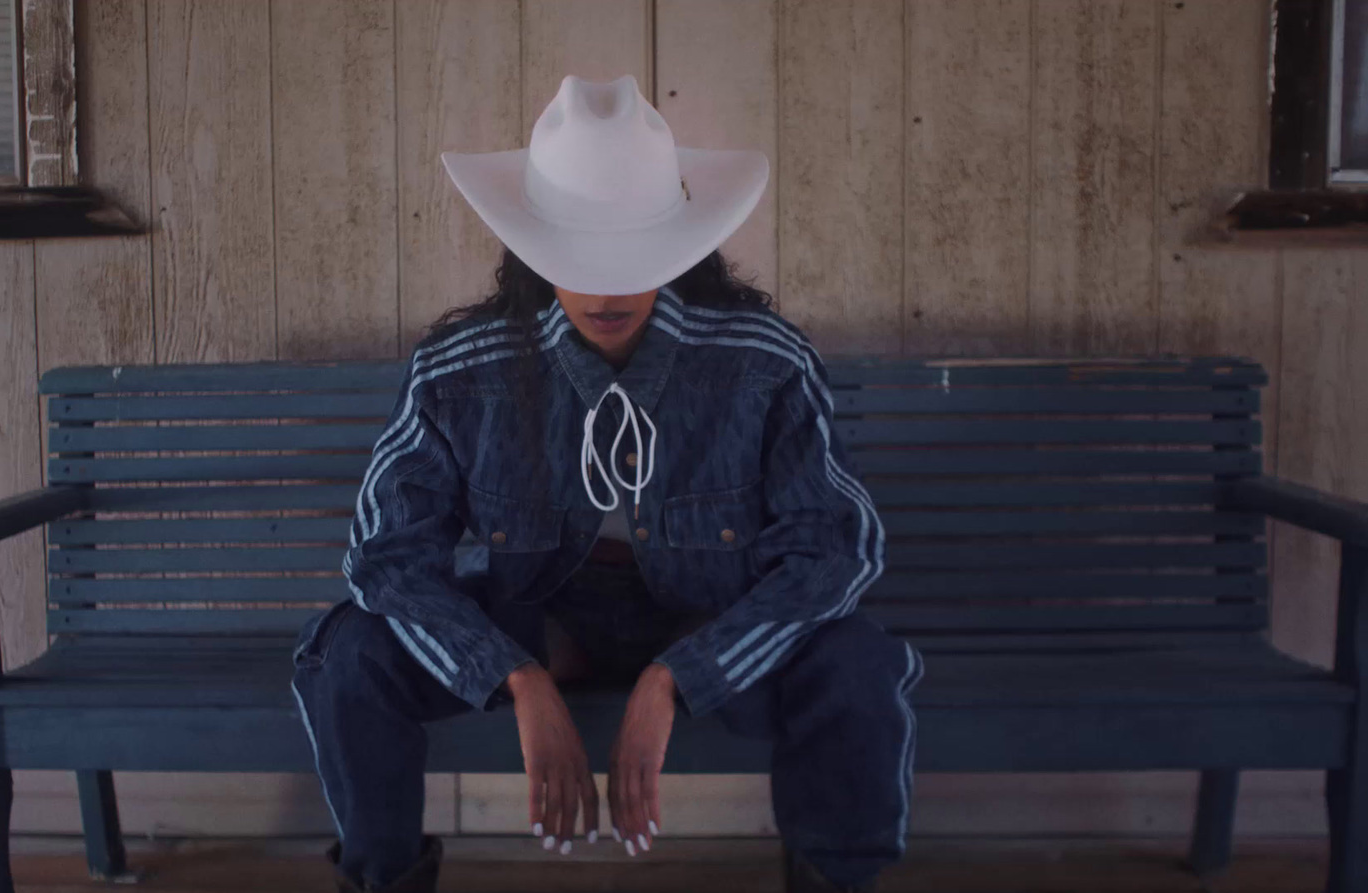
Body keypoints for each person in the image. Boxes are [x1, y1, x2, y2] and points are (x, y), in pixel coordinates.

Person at [290, 73, 922, 893]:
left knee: (857, 663)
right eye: (579, 258)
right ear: (531, 249)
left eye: (636, 255)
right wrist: (513, 674)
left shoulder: (764, 363)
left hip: (713, 614)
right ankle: (384, 881)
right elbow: (386, 558)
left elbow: (835, 550)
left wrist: (678, 675)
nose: (610, 288)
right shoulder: (459, 372)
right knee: (349, 652)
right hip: (539, 623)